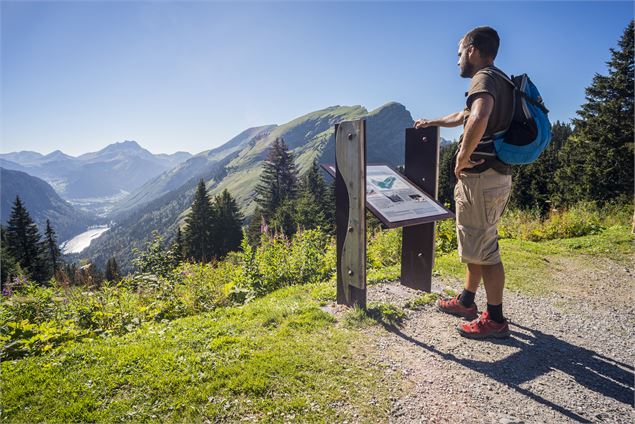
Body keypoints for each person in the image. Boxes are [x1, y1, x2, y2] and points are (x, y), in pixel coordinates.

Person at [414, 26, 514, 339]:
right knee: (477, 242)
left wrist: (461, 156)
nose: (457, 60)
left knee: (485, 249)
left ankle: (495, 319)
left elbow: (478, 115)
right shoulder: (502, 80)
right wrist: (433, 122)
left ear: (472, 49)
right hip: (495, 175)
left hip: (481, 179)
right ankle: (467, 301)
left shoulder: (482, 78)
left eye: (459, 53)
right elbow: (465, 113)